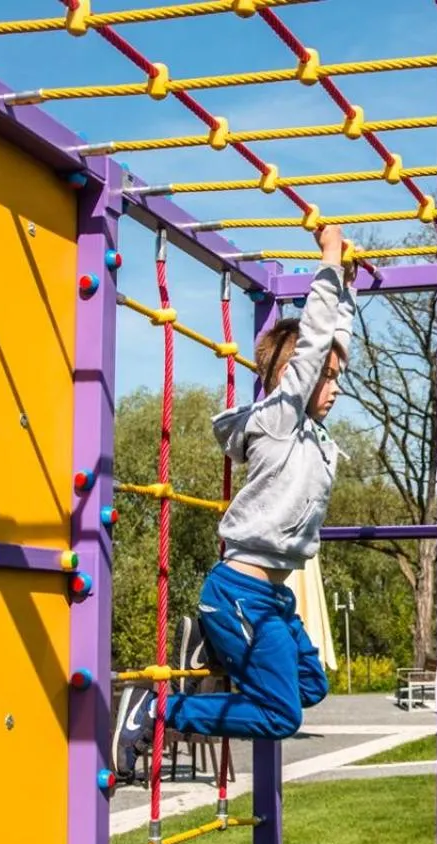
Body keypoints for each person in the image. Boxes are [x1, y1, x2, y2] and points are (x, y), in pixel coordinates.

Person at [111, 225, 355, 779]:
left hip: (270, 597)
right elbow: (314, 342)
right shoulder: (279, 420)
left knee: (310, 685)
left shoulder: (313, 432)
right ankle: (157, 711)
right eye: (328, 379)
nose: (336, 388)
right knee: (279, 714)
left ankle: (219, 648)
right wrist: (329, 263)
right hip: (241, 589)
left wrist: (348, 291)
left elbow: (332, 341)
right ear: (296, 378)